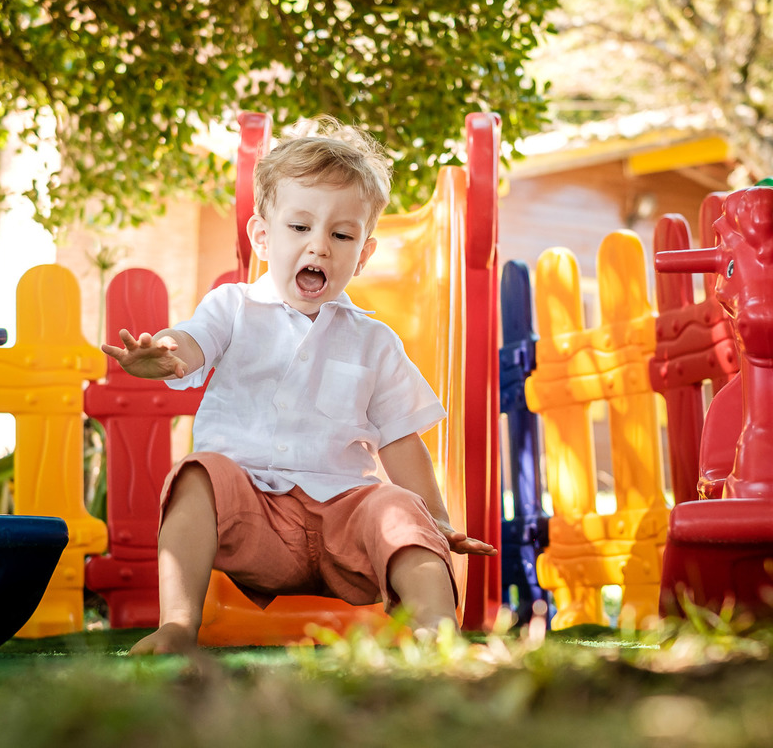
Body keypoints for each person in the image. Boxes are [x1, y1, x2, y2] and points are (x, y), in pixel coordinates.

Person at [102, 116, 496, 655]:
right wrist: (167, 354)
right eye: (299, 228)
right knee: (196, 475)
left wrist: (437, 520)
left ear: (363, 254)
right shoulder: (232, 308)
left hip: (345, 520)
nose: (320, 247)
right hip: (252, 517)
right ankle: (176, 626)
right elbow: (194, 341)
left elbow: (401, 440)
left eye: (341, 235)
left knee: (401, 509)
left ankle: (438, 635)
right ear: (263, 237)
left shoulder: (375, 341)